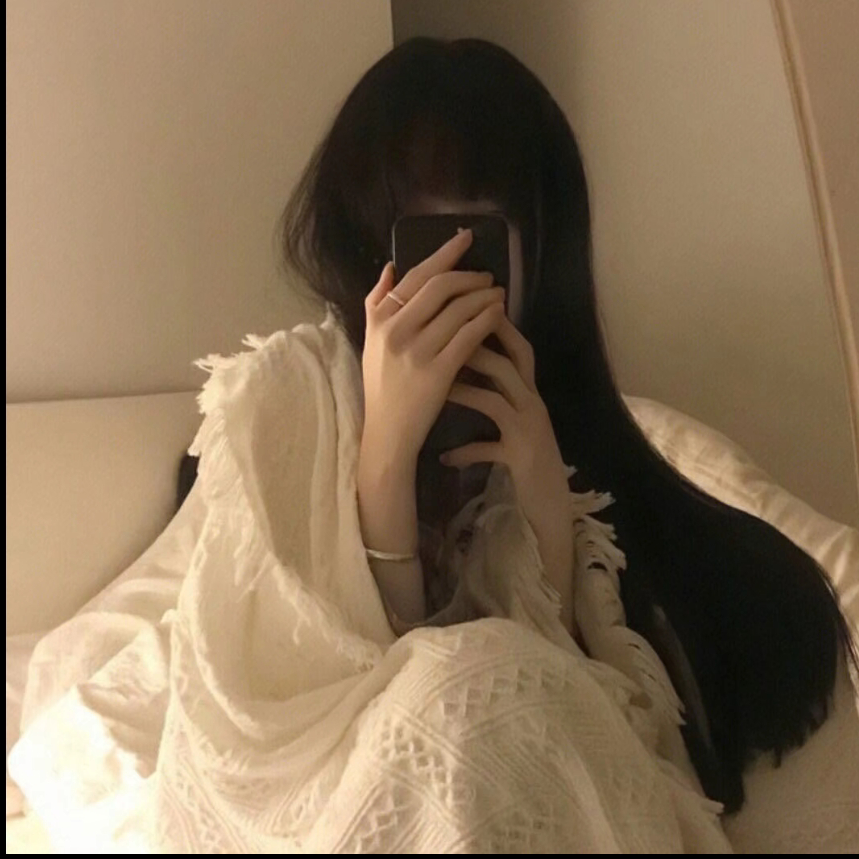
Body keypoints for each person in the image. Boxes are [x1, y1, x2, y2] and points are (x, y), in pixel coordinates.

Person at [280, 36, 857, 815]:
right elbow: (343, 728)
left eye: (476, 239)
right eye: (416, 239)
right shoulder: (284, 432)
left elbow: (564, 731)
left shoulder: (741, 590)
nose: (445, 278)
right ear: (360, 250)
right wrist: (383, 469)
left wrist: (549, 522)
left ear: (537, 250)